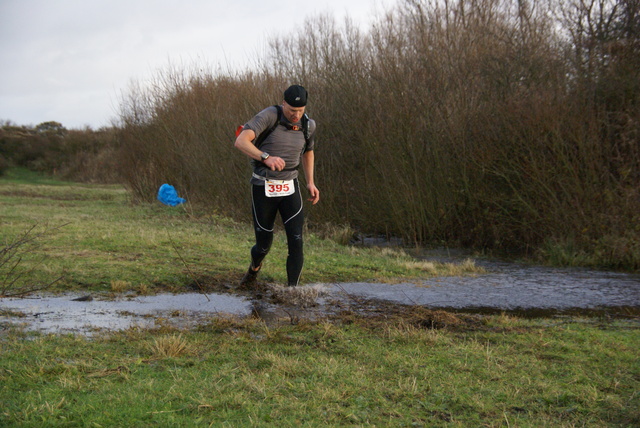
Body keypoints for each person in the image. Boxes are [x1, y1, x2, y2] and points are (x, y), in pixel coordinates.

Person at [234, 84, 320, 287]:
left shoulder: (308, 125)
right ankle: (254, 268)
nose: (295, 115)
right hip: (263, 185)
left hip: (290, 185)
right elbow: (241, 141)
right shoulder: (269, 116)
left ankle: (293, 291)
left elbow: (308, 151)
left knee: (296, 240)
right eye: (291, 110)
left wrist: (310, 182)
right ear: (283, 104)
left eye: (300, 111)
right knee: (264, 245)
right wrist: (265, 157)